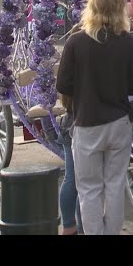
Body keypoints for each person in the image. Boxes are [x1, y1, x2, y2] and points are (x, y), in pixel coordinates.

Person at [56, 0, 133, 235]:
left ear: (91, 6)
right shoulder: (130, 43)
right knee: (115, 186)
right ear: (121, 8)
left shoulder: (76, 42)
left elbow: (63, 84)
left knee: (89, 190)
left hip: (87, 123)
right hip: (119, 122)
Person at [57, 93, 83, 235]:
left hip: (70, 118)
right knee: (85, 182)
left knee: (71, 178)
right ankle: (81, 228)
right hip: (81, 119)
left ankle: (69, 226)